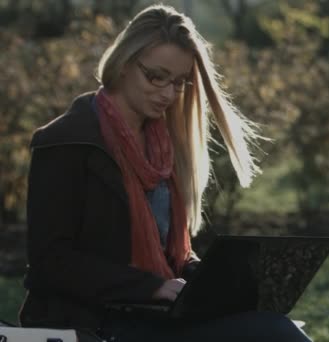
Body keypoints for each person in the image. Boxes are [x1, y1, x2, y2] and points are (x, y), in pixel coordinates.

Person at [18, 4, 311, 342]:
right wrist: (153, 288)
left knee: (271, 325)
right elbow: (50, 263)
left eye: (179, 83)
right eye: (156, 77)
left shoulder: (163, 145)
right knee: (271, 333)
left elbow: (169, 256)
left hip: (154, 316)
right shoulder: (65, 142)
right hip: (95, 323)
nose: (169, 94)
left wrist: (209, 281)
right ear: (124, 64)